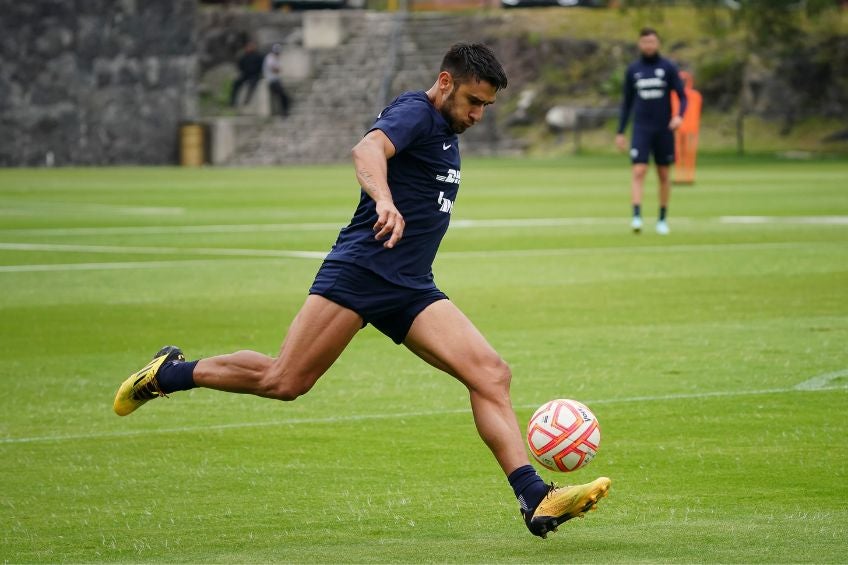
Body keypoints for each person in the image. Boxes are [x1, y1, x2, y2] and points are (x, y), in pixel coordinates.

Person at [113, 43, 610, 539]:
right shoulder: (415, 111)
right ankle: (169, 374)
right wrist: (384, 200)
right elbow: (367, 149)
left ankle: (534, 497)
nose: (478, 114)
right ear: (444, 83)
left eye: (487, 106)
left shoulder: (446, 128)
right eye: (473, 102)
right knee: (284, 381)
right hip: (364, 271)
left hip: (411, 285)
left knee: (491, 374)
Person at [615, 27, 687, 235]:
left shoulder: (668, 67)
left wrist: (679, 116)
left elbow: (682, 96)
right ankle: (636, 216)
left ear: (658, 44)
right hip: (641, 128)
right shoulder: (633, 70)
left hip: (663, 128)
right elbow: (627, 103)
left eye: (652, 42)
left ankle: (662, 218)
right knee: (639, 170)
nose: (649, 46)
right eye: (645, 42)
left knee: (664, 173)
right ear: (640, 44)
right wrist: (620, 132)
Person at [229, 40, 264, 107]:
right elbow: (240, 65)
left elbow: (261, 66)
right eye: (249, 46)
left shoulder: (258, 56)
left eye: (251, 46)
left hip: (255, 75)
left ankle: (247, 100)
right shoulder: (244, 56)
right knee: (236, 83)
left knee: (252, 84)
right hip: (246, 74)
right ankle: (232, 102)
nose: (250, 48)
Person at [263, 43, 290, 117]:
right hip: (272, 81)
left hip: (276, 81)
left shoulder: (276, 59)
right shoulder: (270, 58)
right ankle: (284, 113)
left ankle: (284, 111)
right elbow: (274, 69)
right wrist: (277, 69)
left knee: (284, 96)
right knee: (282, 96)